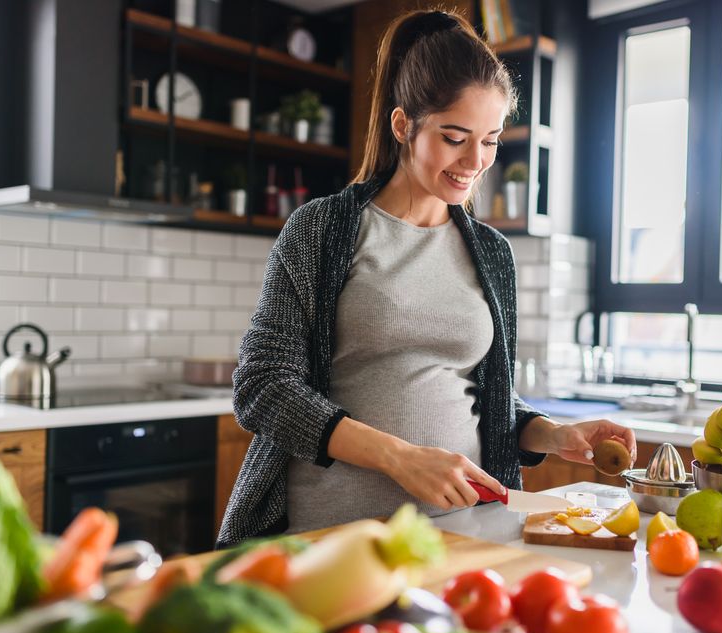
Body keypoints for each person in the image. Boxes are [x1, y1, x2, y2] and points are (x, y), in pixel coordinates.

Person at [216, 9, 636, 547]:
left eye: (489, 140)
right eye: (455, 137)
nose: (475, 161)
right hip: (329, 536)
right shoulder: (323, 229)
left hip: (461, 534)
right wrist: (400, 458)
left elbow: (486, 397)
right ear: (402, 126)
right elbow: (263, 386)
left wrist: (552, 434)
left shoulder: (491, 253)